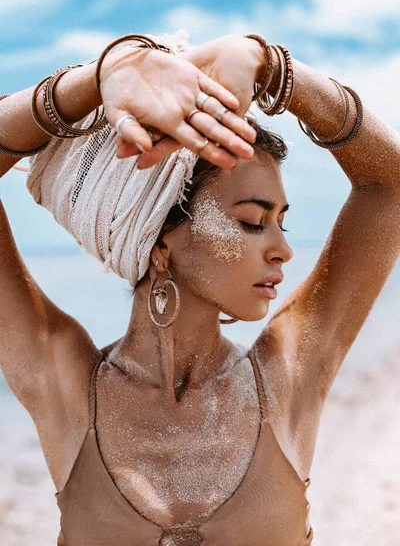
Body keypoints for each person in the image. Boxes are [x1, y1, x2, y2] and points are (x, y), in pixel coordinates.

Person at [0, 30, 399, 546]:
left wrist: (271, 67)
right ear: (160, 241)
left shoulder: (289, 373)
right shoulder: (66, 384)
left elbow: (388, 183)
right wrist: (101, 76)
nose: (283, 250)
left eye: (282, 221)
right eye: (253, 222)